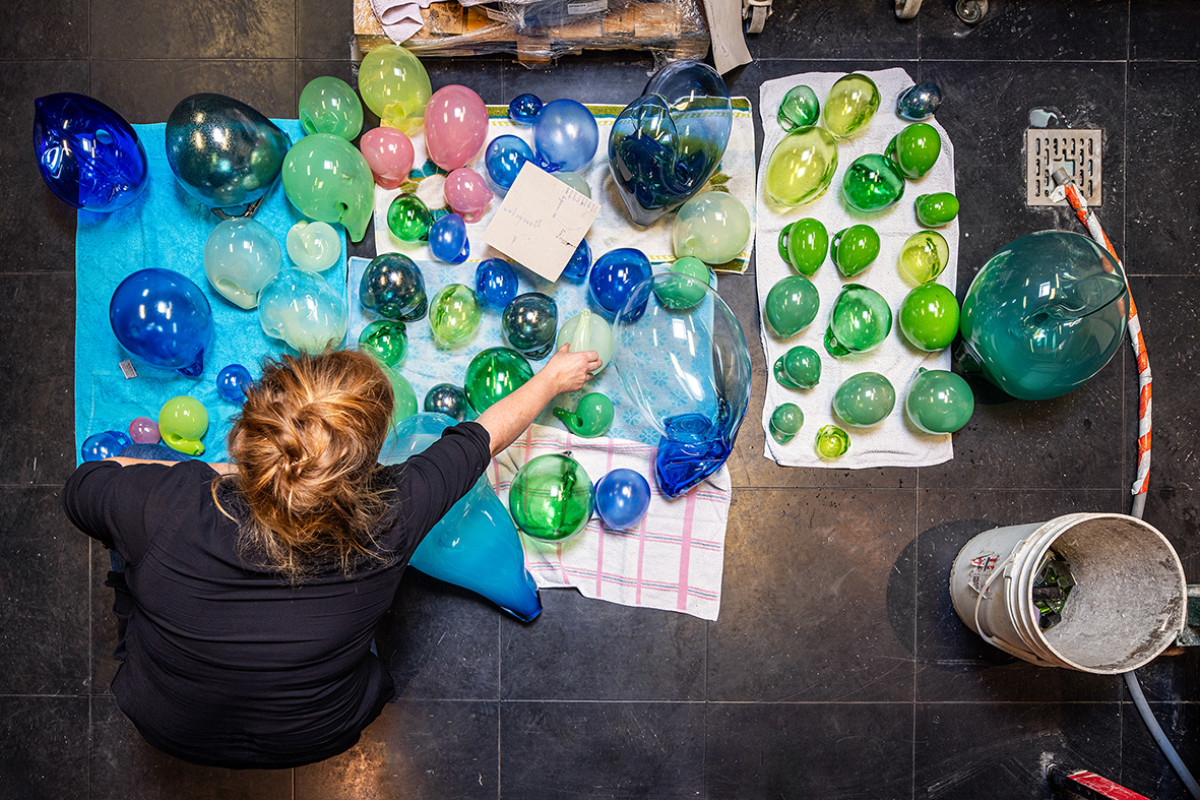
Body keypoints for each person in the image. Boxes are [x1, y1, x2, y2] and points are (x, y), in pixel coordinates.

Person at [62, 344, 600, 769]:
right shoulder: (395, 510)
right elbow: (481, 438)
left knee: (131, 556)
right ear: (365, 467)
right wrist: (553, 378)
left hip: (167, 723)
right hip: (315, 733)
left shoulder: (166, 504)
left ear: (246, 435)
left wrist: (206, 478)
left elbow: (83, 488)